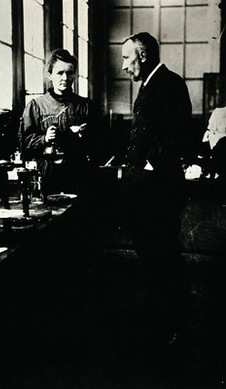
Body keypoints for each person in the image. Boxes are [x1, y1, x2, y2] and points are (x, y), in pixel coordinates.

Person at [120, 32, 193, 344]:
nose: (124, 66)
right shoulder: (152, 83)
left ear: (143, 55)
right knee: (152, 250)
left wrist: (149, 165)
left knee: (160, 249)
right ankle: (159, 311)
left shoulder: (168, 84)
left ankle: (171, 318)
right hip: (148, 185)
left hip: (159, 186)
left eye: (127, 58)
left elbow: (178, 132)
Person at [19, 48, 103, 199]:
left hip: (79, 176)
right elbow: (23, 142)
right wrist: (44, 138)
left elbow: (101, 144)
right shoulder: (36, 107)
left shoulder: (86, 106)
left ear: (74, 75)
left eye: (69, 73)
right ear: (50, 75)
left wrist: (85, 135)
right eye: (59, 73)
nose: (65, 78)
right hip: (47, 177)